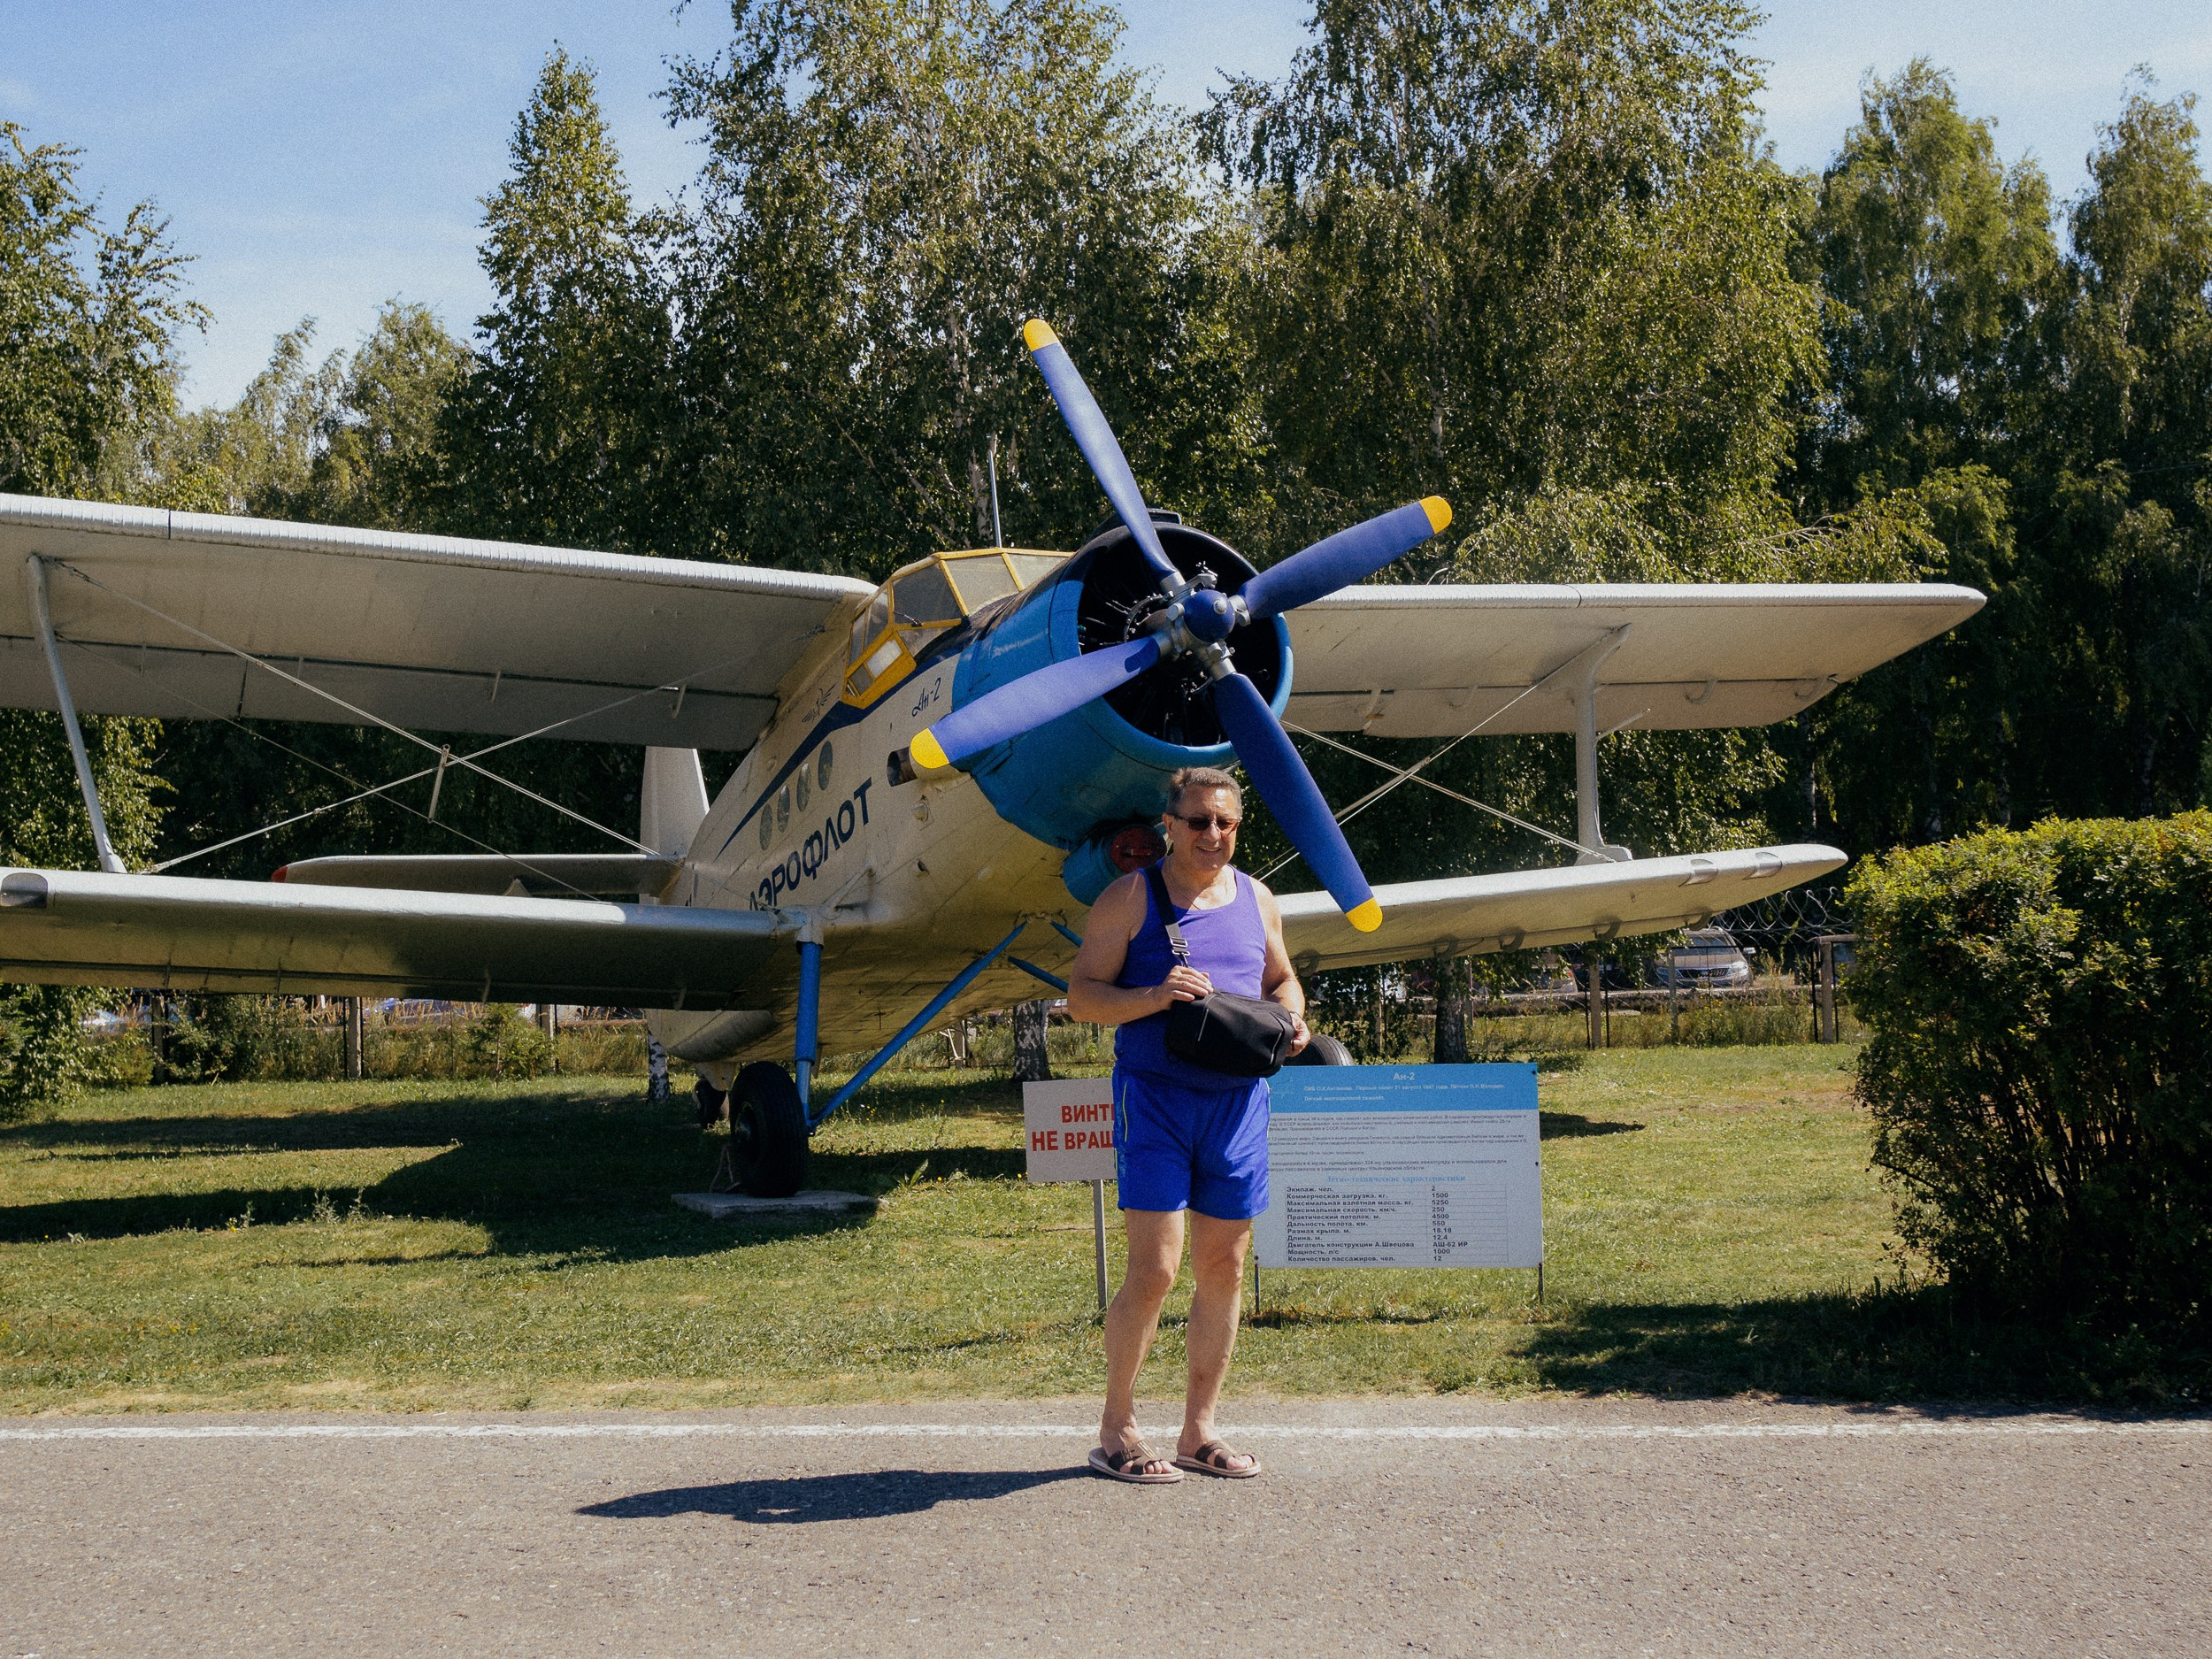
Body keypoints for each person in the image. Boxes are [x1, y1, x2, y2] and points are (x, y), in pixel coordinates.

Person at [1064, 765, 1310, 1482]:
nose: (1212, 834)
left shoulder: (1258, 898)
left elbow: (1281, 979)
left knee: (1224, 1265)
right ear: (1169, 825)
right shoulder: (1128, 897)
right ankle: (1117, 1427)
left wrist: (1293, 1017)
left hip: (1238, 1103)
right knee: (1157, 1268)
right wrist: (1154, 994)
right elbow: (1082, 997)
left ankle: (1199, 1431)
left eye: (1225, 822)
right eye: (1198, 820)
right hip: (1156, 1101)